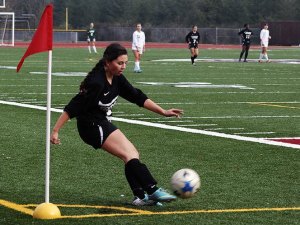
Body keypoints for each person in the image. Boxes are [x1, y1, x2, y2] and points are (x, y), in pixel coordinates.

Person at [50, 43, 183, 206]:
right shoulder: (96, 83)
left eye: (126, 63)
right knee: (128, 155)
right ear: (107, 62)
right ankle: (152, 189)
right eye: (120, 63)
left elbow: (137, 96)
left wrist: (163, 111)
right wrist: (55, 130)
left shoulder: (118, 78)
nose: (123, 67)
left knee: (133, 154)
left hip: (102, 122)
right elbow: (73, 107)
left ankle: (140, 197)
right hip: (90, 127)